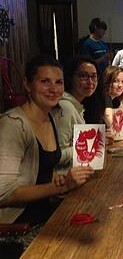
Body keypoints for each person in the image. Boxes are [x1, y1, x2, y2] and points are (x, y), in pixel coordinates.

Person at [0, 55, 93, 248]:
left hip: (47, 213)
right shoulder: (13, 125)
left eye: (58, 82)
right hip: (18, 229)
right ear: (27, 84)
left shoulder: (50, 117)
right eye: (45, 81)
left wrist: (57, 181)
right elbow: (4, 193)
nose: (53, 89)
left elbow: (42, 171)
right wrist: (61, 186)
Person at [57, 55, 100, 172]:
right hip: (65, 179)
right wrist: (91, 146)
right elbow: (56, 155)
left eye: (94, 76)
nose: (90, 81)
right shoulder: (66, 107)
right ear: (70, 77)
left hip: (78, 173)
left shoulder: (79, 105)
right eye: (83, 76)